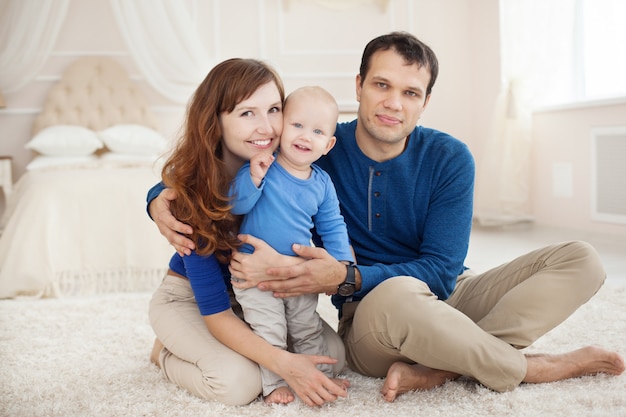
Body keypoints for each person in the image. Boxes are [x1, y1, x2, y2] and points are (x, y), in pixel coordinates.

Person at [148, 32, 625, 402]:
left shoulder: (449, 157)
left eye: (411, 92)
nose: (394, 103)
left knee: (581, 258)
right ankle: (531, 368)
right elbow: (216, 167)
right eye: (381, 85)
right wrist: (157, 197)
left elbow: (441, 270)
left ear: (425, 101)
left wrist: (343, 273)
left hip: (445, 292)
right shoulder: (312, 151)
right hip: (376, 309)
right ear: (359, 87)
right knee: (397, 294)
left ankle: (443, 368)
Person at [147, 58, 350, 407]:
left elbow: (330, 222)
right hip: (195, 301)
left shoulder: (293, 159)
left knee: (333, 354)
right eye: (247, 113)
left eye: (273, 109)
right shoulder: (193, 193)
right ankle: (164, 352)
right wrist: (283, 363)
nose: (267, 127)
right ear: (215, 121)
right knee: (239, 383)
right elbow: (214, 310)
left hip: (259, 295)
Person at [229, 86, 354, 404]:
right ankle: (273, 385)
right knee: (269, 329)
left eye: (316, 131)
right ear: (282, 127)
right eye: (297, 125)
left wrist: (339, 264)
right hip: (254, 274)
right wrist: (253, 179)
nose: (305, 136)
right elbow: (236, 205)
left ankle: (319, 376)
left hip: (299, 277)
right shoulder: (263, 166)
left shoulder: (322, 184)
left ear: (328, 144)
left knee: (306, 327)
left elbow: (333, 226)